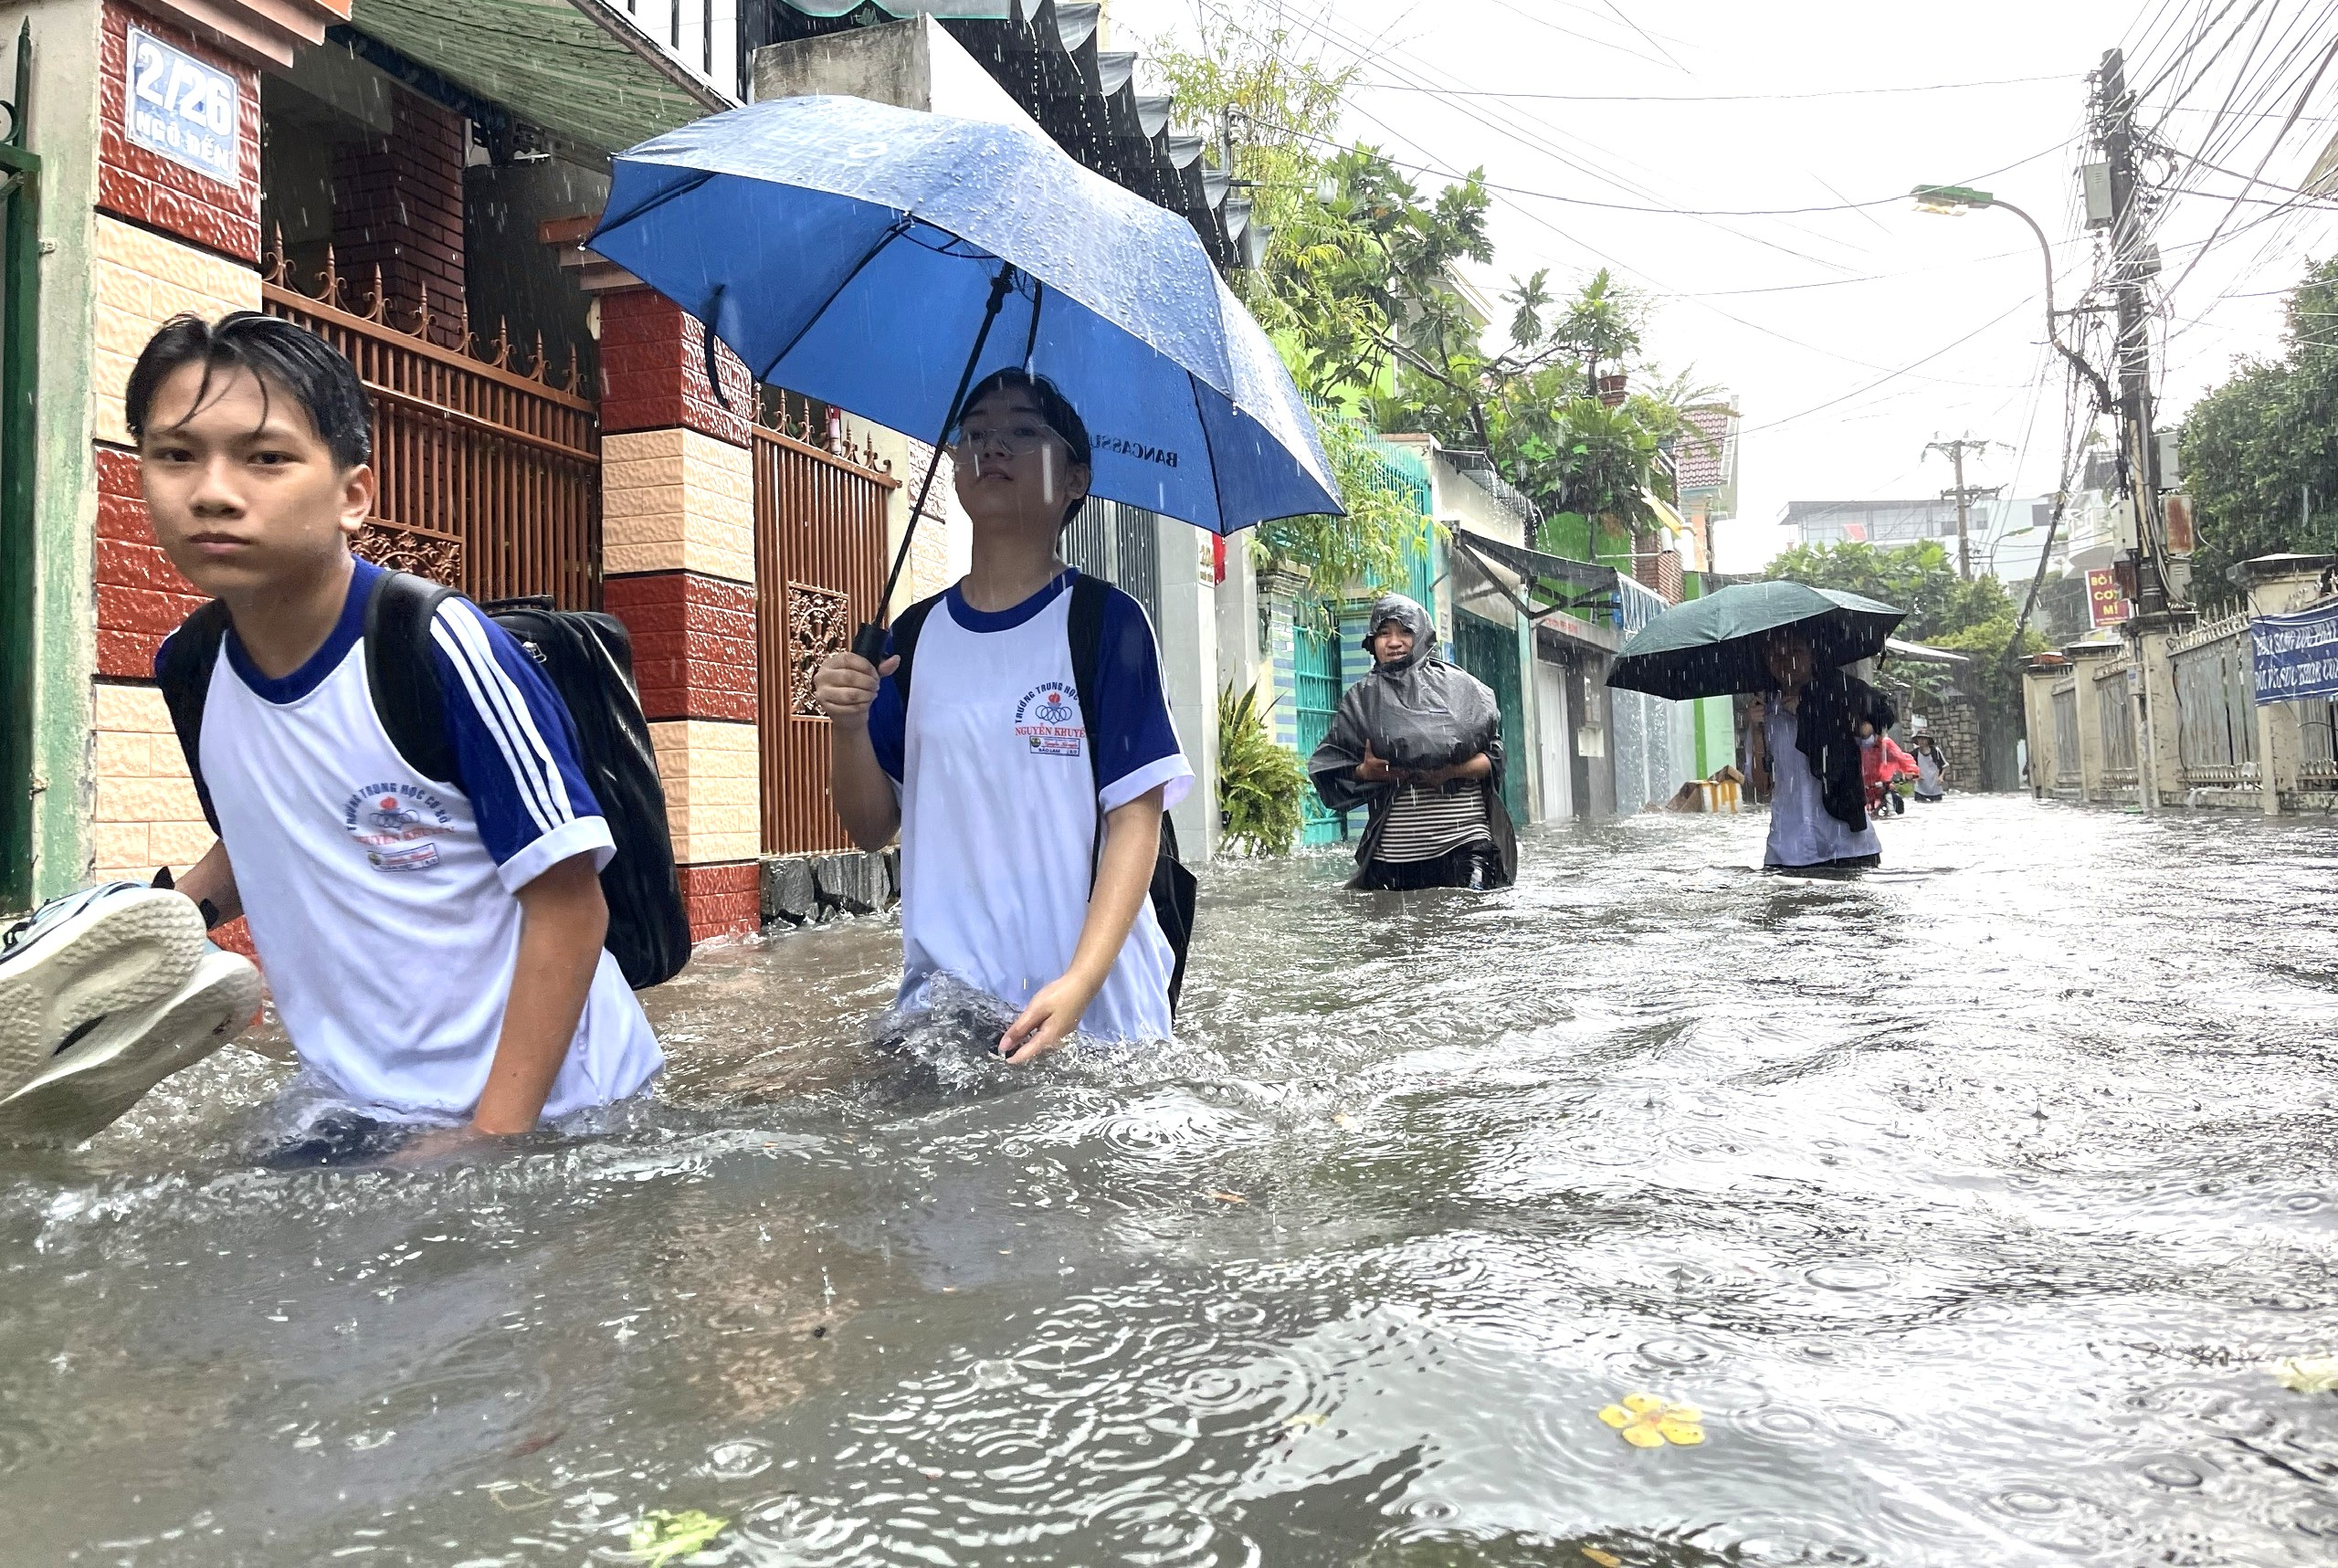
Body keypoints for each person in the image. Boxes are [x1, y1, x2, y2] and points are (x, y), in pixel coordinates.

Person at [131, 312, 661, 1163]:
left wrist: (490, 1138)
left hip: (558, 1115)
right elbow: (269, 830)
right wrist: (154, 920)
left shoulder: (433, 644)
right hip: (357, 1107)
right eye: (176, 454)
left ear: (354, 495)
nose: (213, 491)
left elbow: (568, 905)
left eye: (265, 457)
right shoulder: (191, 666)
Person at [812, 369, 1189, 1062]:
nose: (992, 446)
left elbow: (1135, 823)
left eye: (1022, 431)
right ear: (953, 469)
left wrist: (1078, 983)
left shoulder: (1108, 626)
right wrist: (848, 726)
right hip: (945, 1016)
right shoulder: (914, 637)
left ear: (1076, 478)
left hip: (1096, 1015)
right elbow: (870, 826)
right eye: (975, 432)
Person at [1308, 594, 1517, 891]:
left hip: (1465, 844)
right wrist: (1367, 773)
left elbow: (1494, 757)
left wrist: (1449, 772)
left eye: (1405, 631)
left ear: (1422, 636)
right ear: (1372, 642)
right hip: (1393, 856)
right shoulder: (1361, 699)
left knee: (1472, 924)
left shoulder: (1459, 687)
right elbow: (1329, 768)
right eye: (1384, 633)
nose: (1394, 642)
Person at [1744, 629, 1894, 870]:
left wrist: (1811, 712)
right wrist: (1757, 730)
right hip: (1788, 851)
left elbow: (1867, 735)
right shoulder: (1765, 714)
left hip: (1846, 845)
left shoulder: (1839, 696)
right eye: (1776, 654)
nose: (1785, 660)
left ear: (1813, 657)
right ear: (1766, 661)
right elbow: (1762, 786)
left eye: (1795, 651)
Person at [1858, 718, 1919, 816]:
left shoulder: (1884, 743)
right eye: (1861, 724)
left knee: (1895, 809)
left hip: (1883, 788)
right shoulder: (1852, 744)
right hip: (1861, 789)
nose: (1864, 727)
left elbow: (1900, 757)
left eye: (1866, 724)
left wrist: (1910, 771)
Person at [1910, 732, 1951, 802]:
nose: (1921, 741)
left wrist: (1941, 777)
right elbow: (1908, 768)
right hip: (1920, 789)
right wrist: (1915, 776)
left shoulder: (1935, 751)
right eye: (1919, 739)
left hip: (1935, 788)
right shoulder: (1915, 753)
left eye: (1923, 739)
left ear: (1928, 741)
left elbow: (1945, 766)